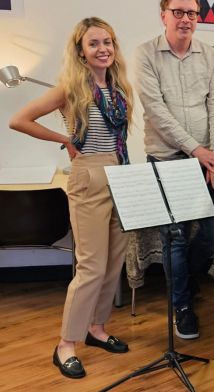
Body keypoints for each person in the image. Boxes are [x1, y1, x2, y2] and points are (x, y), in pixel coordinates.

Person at [9, 17, 133, 378]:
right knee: (91, 266)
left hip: (121, 173)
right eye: (94, 43)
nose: (103, 49)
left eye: (108, 42)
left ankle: (96, 328)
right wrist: (64, 140)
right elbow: (20, 119)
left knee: (114, 262)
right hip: (89, 175)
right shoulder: (70, 88)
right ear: (81, 50)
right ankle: (66, 344)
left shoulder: (120, 87)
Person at [135, 0, 214, 340]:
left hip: (205, 163)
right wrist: (197, 149)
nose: (186, 19)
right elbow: (156, 112)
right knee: (174, 238)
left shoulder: (211, 56)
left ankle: (186, 284)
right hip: (167, 159)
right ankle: (183, 307)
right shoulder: (146, 54)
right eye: (178, 12)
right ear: (163, 15)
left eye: (192, 13)